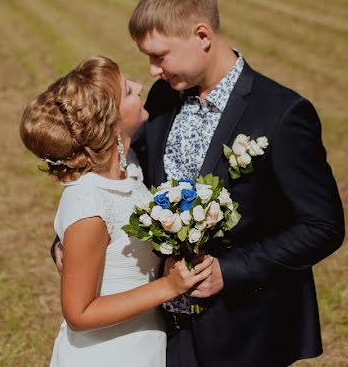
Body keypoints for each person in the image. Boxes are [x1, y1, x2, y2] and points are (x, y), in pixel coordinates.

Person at [129, 0, 345, 367]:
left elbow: (322, 225)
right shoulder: (163, 98)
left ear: (202, 35)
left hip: (245, 330)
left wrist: (231, 271)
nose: (151, 70)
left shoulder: (281, 113)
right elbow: (133, 178)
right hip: (162, 326)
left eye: (160, 55)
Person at [22, 56, 215, 367]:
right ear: (110, 124)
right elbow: (79, 313)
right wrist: (167, 287)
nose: (140, 87)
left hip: (144, 345)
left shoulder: (130, 171)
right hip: (106, 355)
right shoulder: (89, 202)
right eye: (127, 90)